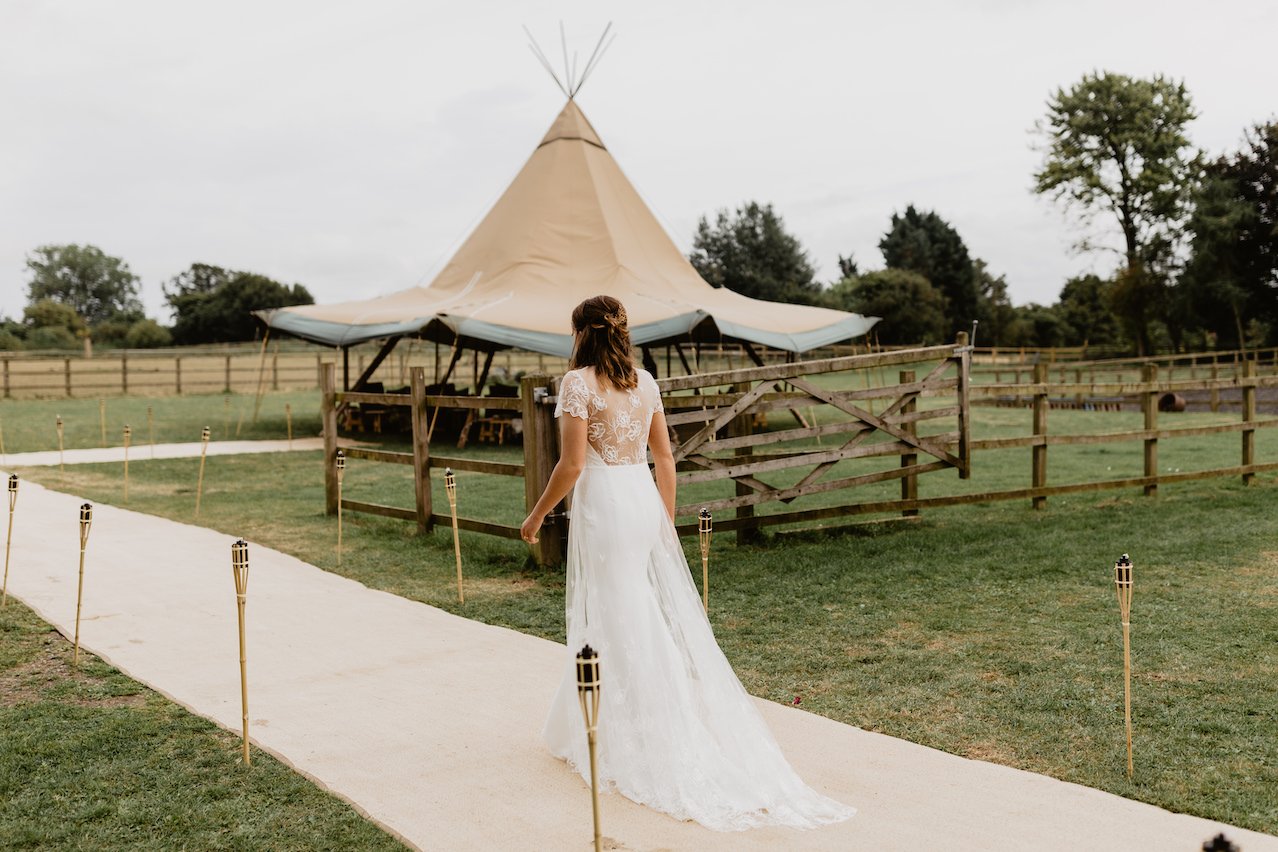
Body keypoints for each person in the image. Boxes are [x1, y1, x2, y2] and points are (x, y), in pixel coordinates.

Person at [521, 295, 855, 831]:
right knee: (626, 603)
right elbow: (666, 456)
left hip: (605, 504)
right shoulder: (645, 381)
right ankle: (584, 718)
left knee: (617, 607)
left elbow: (572, 463)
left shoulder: (578, 384)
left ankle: (639, 721)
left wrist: (537, 515)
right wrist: (662, 517)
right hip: (639, 500)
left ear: (581, 333)